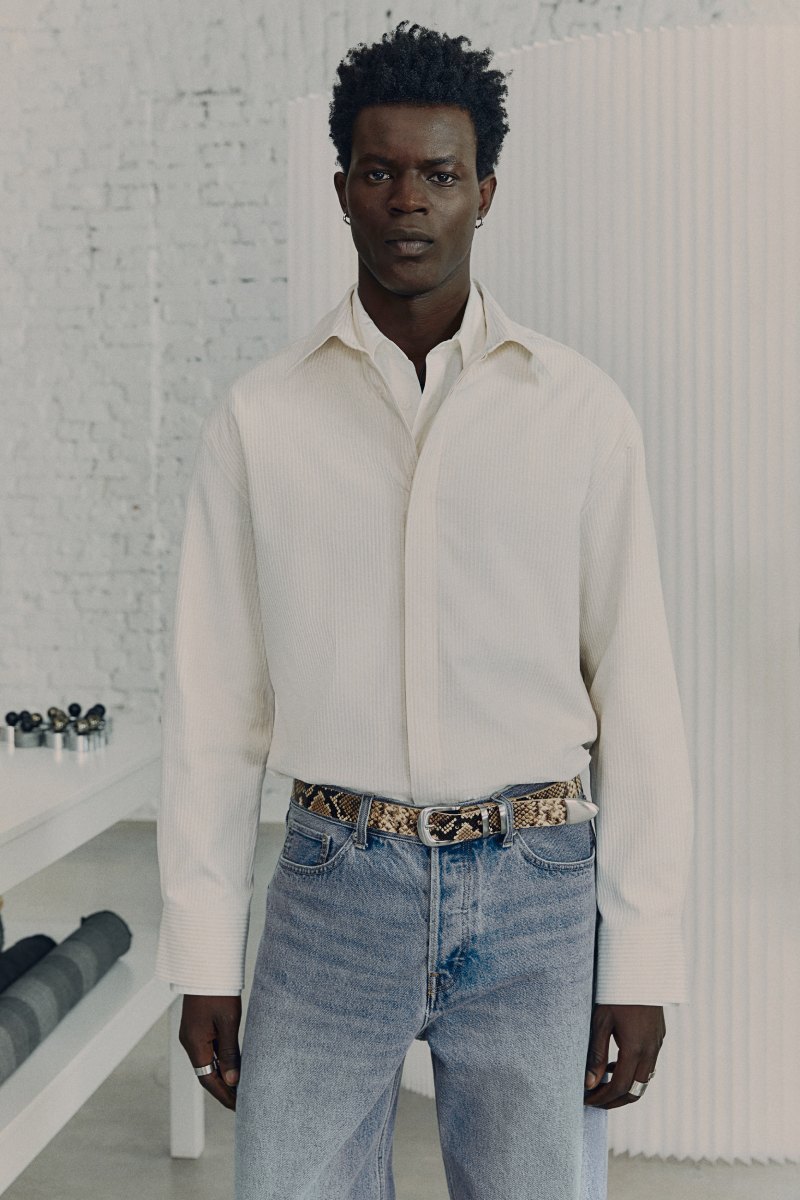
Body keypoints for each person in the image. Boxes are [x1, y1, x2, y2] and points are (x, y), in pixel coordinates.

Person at [155, 21, 694, 1200]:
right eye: (379, 171)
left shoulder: (580, 414)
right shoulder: (259, 420)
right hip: (331, 888)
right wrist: (203, 953)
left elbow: (637, 694)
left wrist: (641, 960)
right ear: (340, 187)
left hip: (538, 890)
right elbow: (214, 707)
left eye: (439, 175)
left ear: (484, 191)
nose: (407, 201)